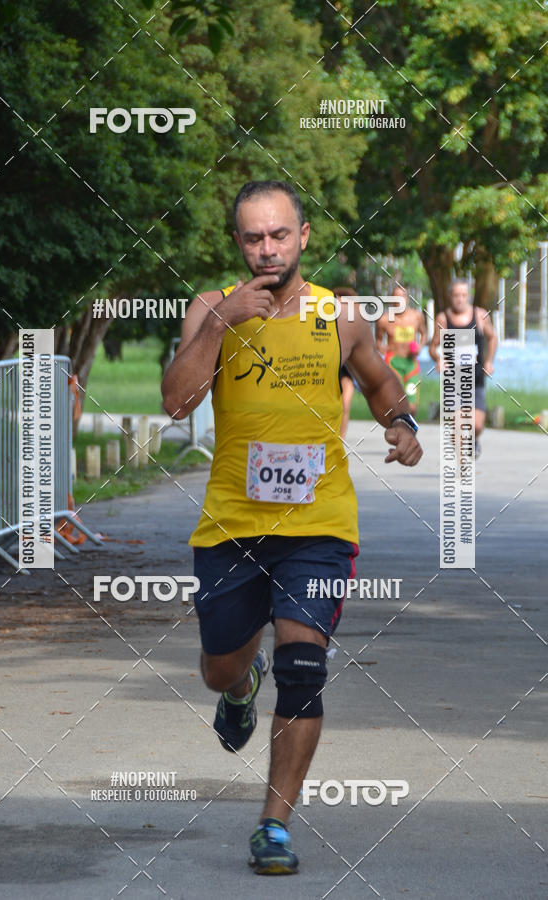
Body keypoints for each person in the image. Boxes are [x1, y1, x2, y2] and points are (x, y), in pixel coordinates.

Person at [161, 180, 422, 876]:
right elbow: (177, 403)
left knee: (303, 669)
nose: (268, 249)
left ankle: (273, 824)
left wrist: (401, 422)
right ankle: (239, 688)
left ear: (304, 236)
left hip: (319, 524)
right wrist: (222, 324)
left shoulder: (340, 314)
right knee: (220, 667)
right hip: (232, 525)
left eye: (280, 234)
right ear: (238, 242)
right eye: (254, 237)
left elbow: (379, 382)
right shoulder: (209, 308)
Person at [429, 278, 497, 457]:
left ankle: (473, 440)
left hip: (476, 379)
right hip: (453, 381)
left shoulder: (480, 315)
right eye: (456, 295)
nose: (460, 299)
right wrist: (438, 359)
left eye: (464, 295)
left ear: (469, 296)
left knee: (477, 425)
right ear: (450, 296)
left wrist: (489, 361)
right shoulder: (443, 319)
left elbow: (492, 338)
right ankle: (462, 463)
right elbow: (433, 346)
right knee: (457, 425)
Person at [375, 283, 427, 417]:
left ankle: (408, 425)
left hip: (411, 364)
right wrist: (381, 347)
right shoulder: (384, 320)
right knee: (395, 403)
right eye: (395, 297)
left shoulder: (416, 316)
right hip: (393, 362)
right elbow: (378, 340)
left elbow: (424, 334)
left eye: (402, 297)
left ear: (407, 299)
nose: (399, 301)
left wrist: (420, 346)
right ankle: (397, 427)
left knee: (412, 407)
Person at [332, 285, 358, 438]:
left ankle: (340, 439)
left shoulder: (355, 324)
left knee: (345, 405)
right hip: (329, 366)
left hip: (346, 369)